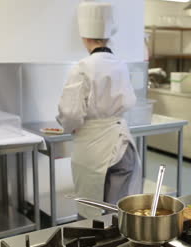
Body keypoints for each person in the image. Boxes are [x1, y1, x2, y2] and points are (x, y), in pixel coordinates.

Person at [56, 1, 142, 219]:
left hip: (94, 150)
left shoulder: (83, 67)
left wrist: (70, 127)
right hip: (123, 145)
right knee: (120, 214)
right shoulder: (120, 64)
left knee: (92, 214)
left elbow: (70, 113)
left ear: (84, 37)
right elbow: (130, 99)